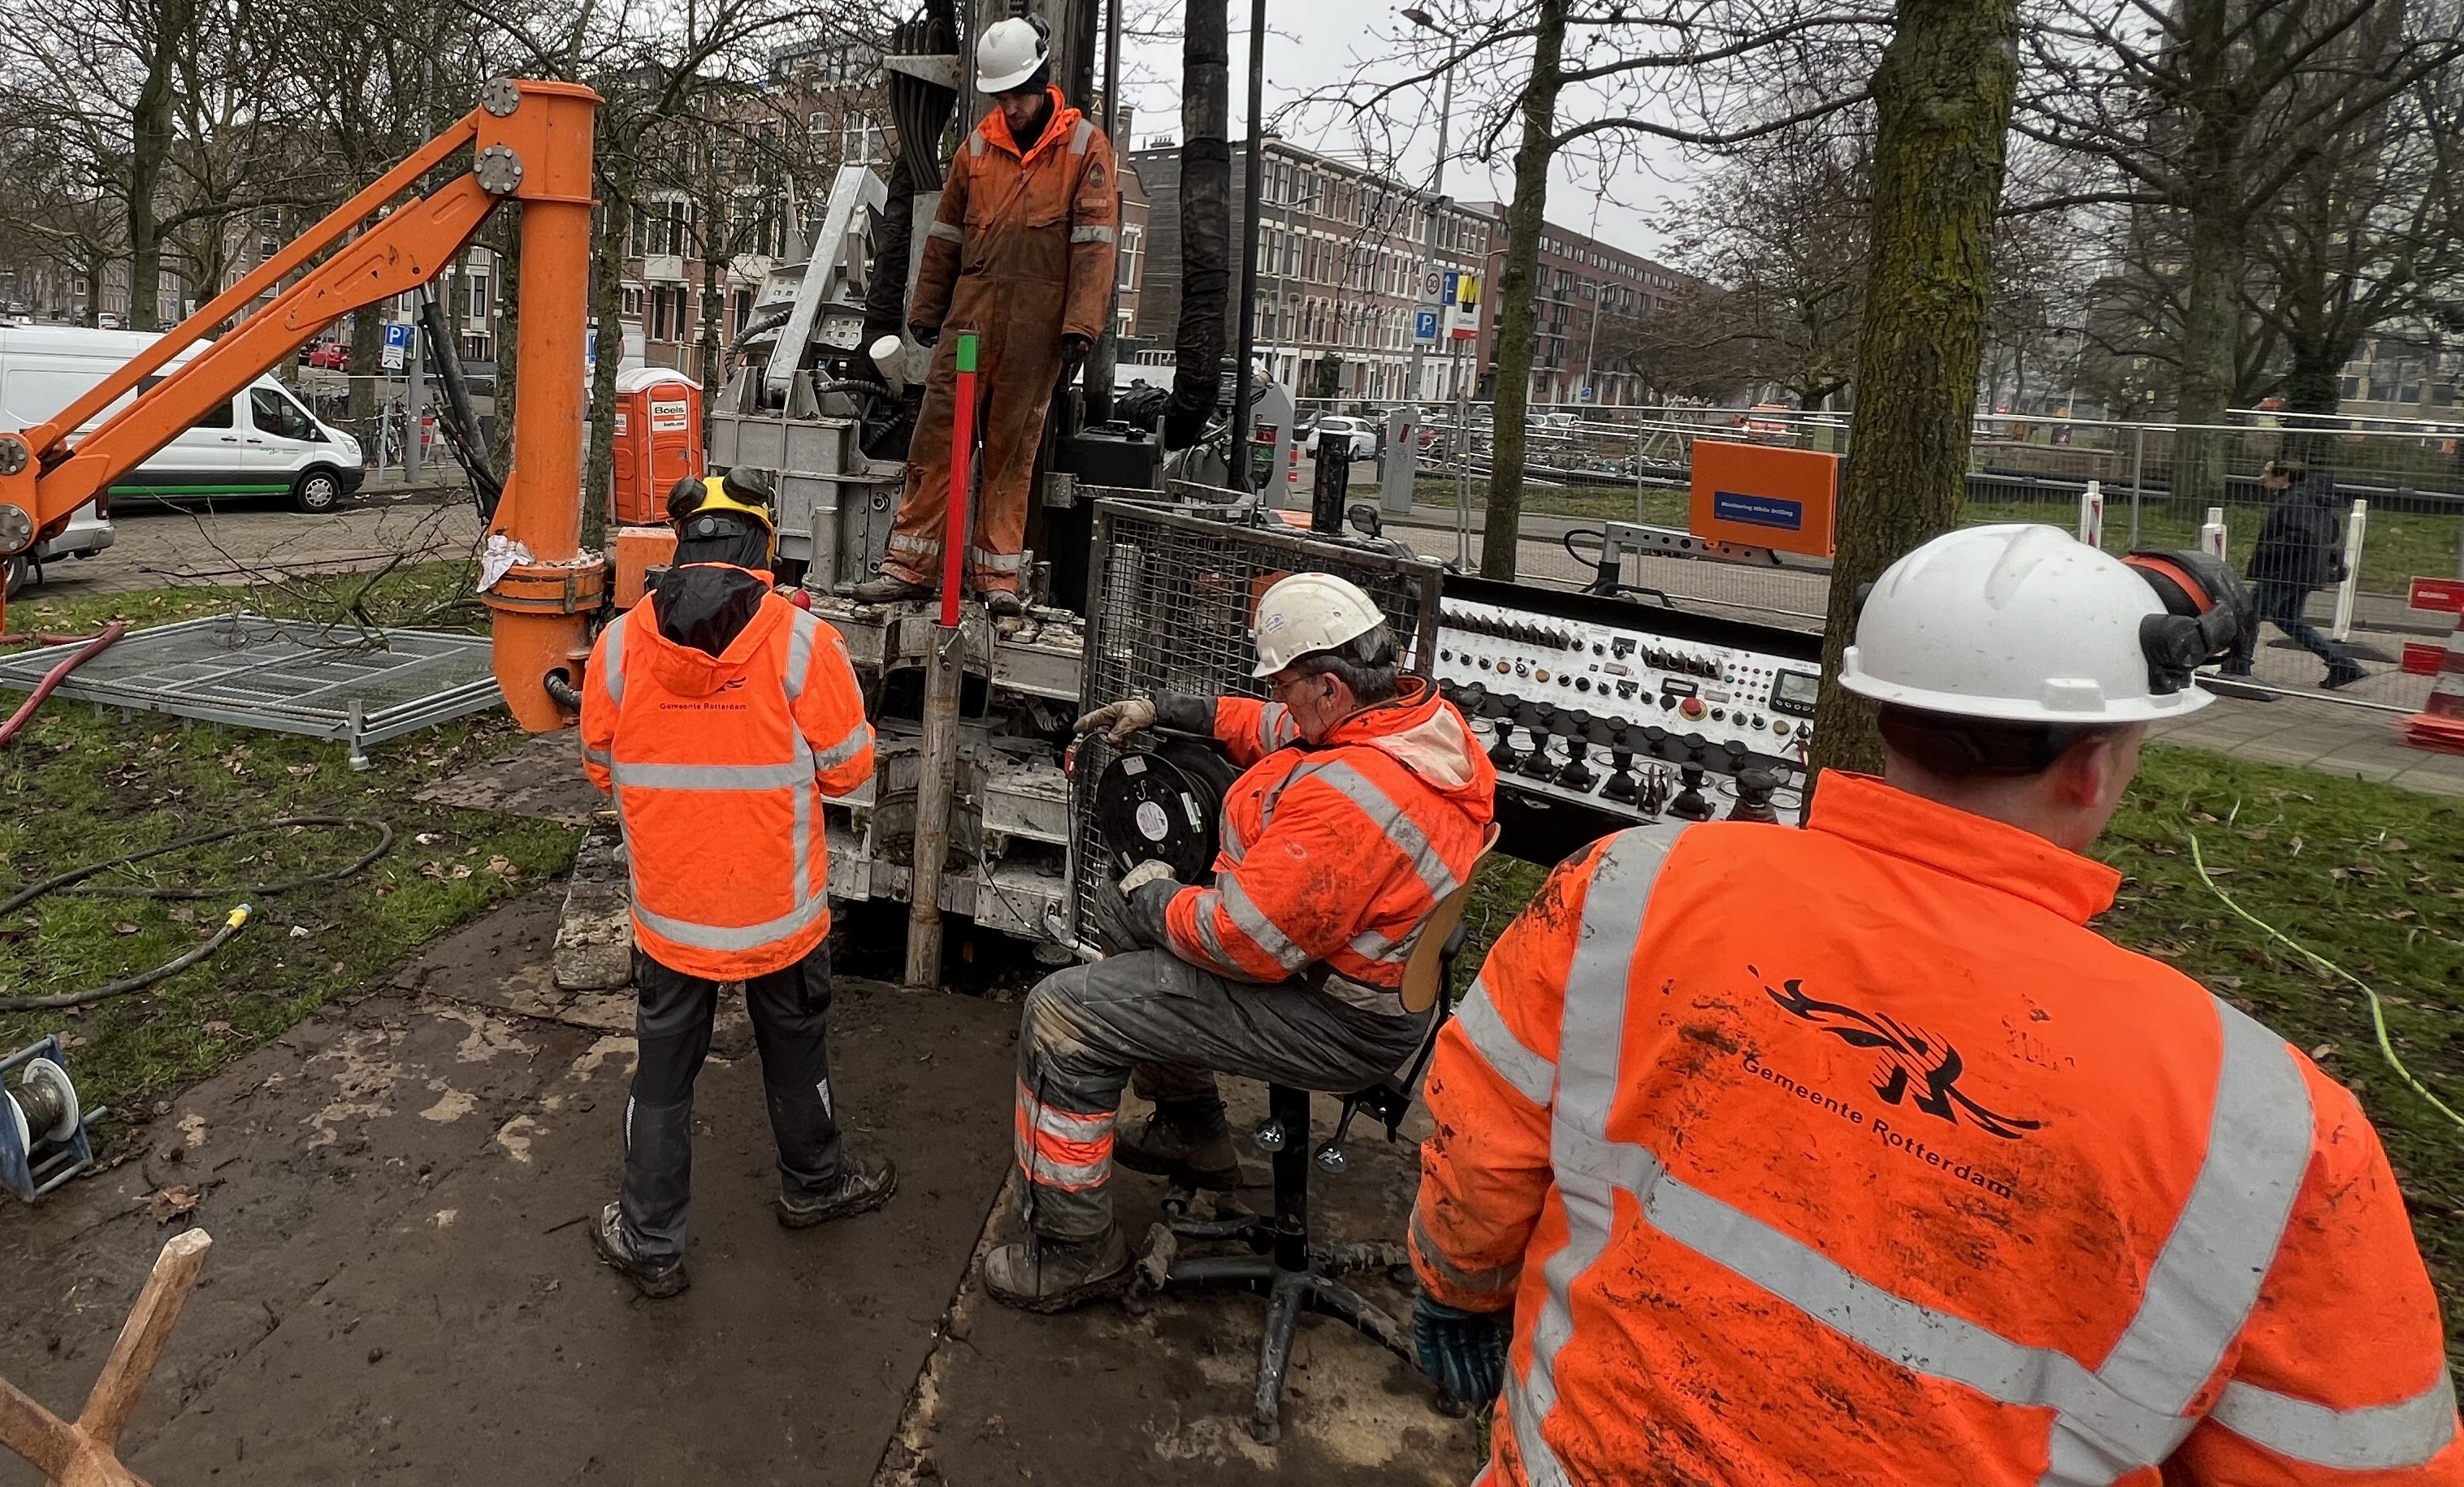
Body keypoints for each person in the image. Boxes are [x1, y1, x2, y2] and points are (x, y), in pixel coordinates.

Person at [1406, 524, 2459, 1484]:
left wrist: (1456, 1292)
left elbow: (1483, 1147)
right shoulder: (2275, 1132)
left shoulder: (1632, 889)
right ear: (2095, 768)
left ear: (1885, 713)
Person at [982, 573, 1496, 1311]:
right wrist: (1161, 709)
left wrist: (1159, 893)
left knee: (1062, 1015)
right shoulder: (1407, 723)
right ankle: (1192, 1127)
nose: (1278, 700)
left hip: (1333, 1017)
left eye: (1285, 685)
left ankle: (1074, 1250)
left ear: (1329, 686)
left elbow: (1240, 941)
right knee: (1119, 912)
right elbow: (1263, 728)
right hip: (1348, 973)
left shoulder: (1353, 800)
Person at [574, 469, 894, 1297]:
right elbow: (849, 770)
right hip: (778, 914)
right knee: (795, 1051)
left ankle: (650, 1241)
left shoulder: (619, 645)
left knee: (663, 1074)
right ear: (763, 548)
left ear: (683, 544)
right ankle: (814, 1186)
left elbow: (601, 767)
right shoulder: (802, 642)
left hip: (673, 917)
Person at [844, 15, 1119, 607]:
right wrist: (927, 307)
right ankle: (909, 565)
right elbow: (945, 235)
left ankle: (997, 578)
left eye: (1019, 95)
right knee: (935, 439)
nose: (1011, 108)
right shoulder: (976, 149)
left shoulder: (1084, 148)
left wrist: (1080, 326)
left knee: (1011, 453)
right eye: (1002, 98)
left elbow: (1095, 245)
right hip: (969, 321)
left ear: (1041, 82)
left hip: (1036, 330)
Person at [2231, 458, 2367, 689]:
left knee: (2249, 615)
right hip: (2304, 571)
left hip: (2285, 571)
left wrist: (2268, 551)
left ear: (2284, 477)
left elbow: (2302, 536)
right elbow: (2329, 533)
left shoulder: (2295, 501)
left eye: (2268, 473)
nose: (2262, 478)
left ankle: (2238, 667)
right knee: (2289, 620)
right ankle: (2342, 665)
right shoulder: (2312, 500)